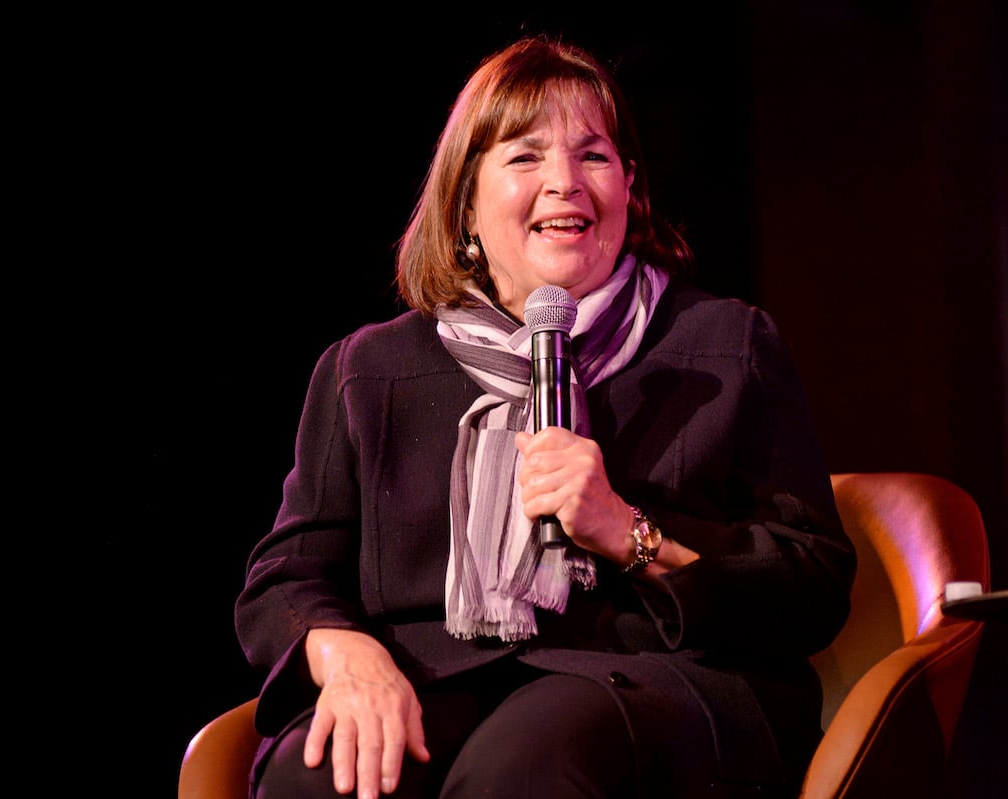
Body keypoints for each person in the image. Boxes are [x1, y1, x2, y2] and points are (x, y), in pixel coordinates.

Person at [235, 34, 857, 799]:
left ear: (630, 186)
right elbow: (285, 579)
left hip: (659, 680)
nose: (564, 182)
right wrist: (346, 655)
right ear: (465, 201)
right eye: (525, 157)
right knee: (322, 774)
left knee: (530, 754)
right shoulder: (367, 370)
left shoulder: (725, 344)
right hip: (436, 674)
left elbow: (812, 586)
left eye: (593, 157)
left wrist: (628, 532)